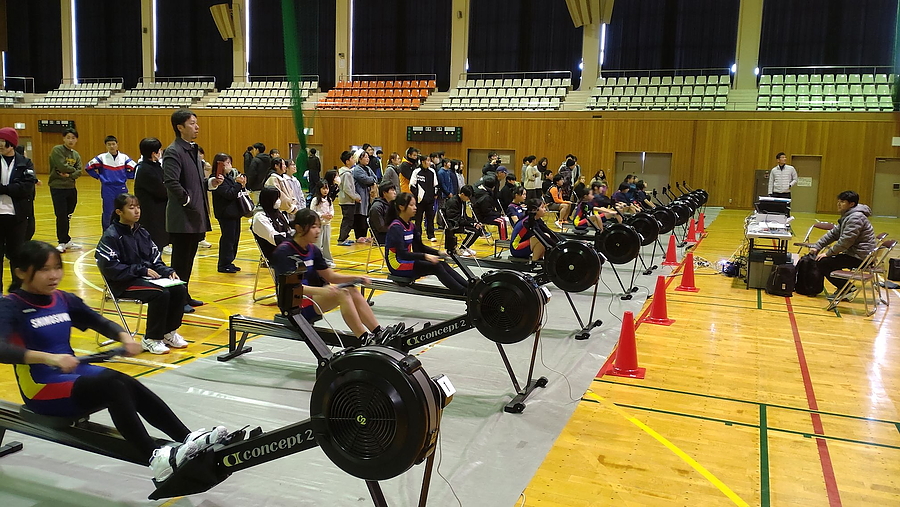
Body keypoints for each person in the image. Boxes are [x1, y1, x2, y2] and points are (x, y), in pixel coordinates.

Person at [0, 240, 228, 481]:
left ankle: (186, 437)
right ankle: (155, 458)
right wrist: (48, 358)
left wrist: (124, 337)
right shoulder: (11, 306)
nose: (54, 275)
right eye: (45, 269)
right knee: (111, 386)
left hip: (69, 376)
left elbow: (97, 321)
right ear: (22, 272)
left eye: (57, 267)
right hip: (40, 388)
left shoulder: (62, 299)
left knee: (123, 381)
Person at [270, 209, 392, 344]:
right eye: (313, 227)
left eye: (318, 226)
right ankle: (363, 338)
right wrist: (322, 291)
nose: (317, 231)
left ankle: (378, 332)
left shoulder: (313, 250)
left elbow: (330, 276)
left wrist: (356, 277)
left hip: (313, 298)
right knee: (342, 293)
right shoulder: (284, 251)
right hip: (293, 304)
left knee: (351, 288)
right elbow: (289, 287)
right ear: (299, 228)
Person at [95, 193, 188, 354]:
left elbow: (155, 259)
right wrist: (140, 270)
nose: (137, 211)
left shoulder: (142, 233)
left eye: (138, 207)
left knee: (179, 289)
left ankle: (168, 332)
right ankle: (151, 338)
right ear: (119, 212)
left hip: (143, 279)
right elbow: (110, 268)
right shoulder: (111, 236)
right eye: (131, 208)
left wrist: (168, 271)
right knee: (160, 294)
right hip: (122, 283)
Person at [162, 109, 216, 313]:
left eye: (196, 123)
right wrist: (188, 200)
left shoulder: (192, 150)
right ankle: (177, 299)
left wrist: (211, 182)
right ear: (180, 127)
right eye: (192, 123)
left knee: (189, 260)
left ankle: (184, 294)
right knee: (179, 261)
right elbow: (171, 182)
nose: (197, 127)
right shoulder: (173, 151)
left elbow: (196, 182)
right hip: (182, 217)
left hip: (194, 215)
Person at [385, 193, 469, 295]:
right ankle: (464, 292)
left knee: (442, 263)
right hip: (397, 264)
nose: (415, 208)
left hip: (406, 260)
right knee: (436, 266)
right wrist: (426, 256)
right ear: (401, 207)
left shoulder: (411, 226)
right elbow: (402, 254)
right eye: (411, 205)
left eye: (415, 205)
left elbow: (419, 247)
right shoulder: (396, 227)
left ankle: (469, 286)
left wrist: (439, 253)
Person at [810, 191, 877, 299]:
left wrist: (828, 253)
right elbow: (833, 234)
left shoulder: (856, 218)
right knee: (824, 261)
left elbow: (846, 241)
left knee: (823, 262)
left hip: (861, 257)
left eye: (842, 202)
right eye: (838, 201)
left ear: (851, 204)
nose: (838, 204)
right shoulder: (849, 216)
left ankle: (846, 288)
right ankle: (845, 288)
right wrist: (818, 246)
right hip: (856, 254)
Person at [0, 127, 37, 291]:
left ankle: (17, 291)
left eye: (3, 141)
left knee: (16, 256)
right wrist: (13, 188)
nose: (0, 144)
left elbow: (27, 187)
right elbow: (19, 187)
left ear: (11, 143)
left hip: (18, 217)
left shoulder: (25, 163)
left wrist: (4, 189)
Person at [86, 135, 137, 231]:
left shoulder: (124, 157)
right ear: (106, 146)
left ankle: (122, 231)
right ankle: (107, 233)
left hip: (121, 187)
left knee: (123, 210)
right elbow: (88, 167)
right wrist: (99, 177)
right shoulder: (101, 158)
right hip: (107, 188)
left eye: (113, 144)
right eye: (109, 144)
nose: (112, 146)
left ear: (117, 145)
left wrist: (128, 176)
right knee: (108, 212)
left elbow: (135, 168)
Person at [208, 153, 246, 273]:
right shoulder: (217, 179)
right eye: (227, 163)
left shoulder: (228, 177)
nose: (230, 166)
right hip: (225, 214)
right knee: (227, 239)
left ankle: (230, 261)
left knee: (234, 238)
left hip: (234, 213)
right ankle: (223, 264)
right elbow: (229, 194)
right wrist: (238, 184)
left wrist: (241, 184)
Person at [48, 127, 84, 253]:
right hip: (58, 187)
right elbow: (61, 165)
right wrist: (73, 170)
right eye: (68, 137)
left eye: (73, 138)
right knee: (61, 215)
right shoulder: (57, 150)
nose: (70, 140)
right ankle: (62, 241)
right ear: (64, 138)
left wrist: (70, 174)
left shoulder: (75, 154)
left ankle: (67, 239)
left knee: (68, 215)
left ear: (76, 140)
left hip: (71, 187)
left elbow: (80, 171)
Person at [134, 138, 170, 253]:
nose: (161, 152)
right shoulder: (145, 169)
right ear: (154, 153)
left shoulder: (155, 166)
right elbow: (162, 191)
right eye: (159, 150)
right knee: (152, 246)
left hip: (159, 213)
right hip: (151, 215)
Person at [251, 186, 294, 261]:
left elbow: (289, 230)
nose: (279, 201)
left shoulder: (277, 212)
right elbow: (275, 238)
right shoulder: (260, 217)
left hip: (286, 247)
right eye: (276, 198)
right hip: (275, 252)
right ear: (269, 200)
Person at [442, 185, 481, 257]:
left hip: (460, 222)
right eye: (468, 197)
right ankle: (462, 248)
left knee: (479, 229)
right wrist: (472, 224)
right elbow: (455, 219)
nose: (468, 199)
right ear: (462, 194)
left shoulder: (462, 201)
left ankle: (466, 247)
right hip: (453, 225)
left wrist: (475, 222)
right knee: (473, 232)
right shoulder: (453, 202)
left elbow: (464, 216)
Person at [410, 155, 438, 242]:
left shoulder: (432, 172)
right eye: (428, 161)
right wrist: (418, 195)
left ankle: (431, 235)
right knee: (418, 219)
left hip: (430, 201)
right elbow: (412, 185)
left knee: (430, 218)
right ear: (422, 162)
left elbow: (436, 185)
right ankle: (418, 235)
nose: (429, 163)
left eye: (430, 161)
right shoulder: (416, 172)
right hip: (419, 201)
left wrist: (434, 194)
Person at [472, 175, 509, 240]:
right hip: (483, 217)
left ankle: (504, 239)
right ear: (493, 187)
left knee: (502, 219)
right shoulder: (486, 197)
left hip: (484, 214)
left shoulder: (483, 193)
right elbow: (487, 212)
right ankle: (504, 240)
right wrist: (498, 214)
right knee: (501, 221)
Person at [352, 149, 377, 242]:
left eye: (367, 157)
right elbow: (366, 179)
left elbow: (375, 177)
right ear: (359, 159)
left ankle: (365, 235)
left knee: (367, 215)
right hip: (361, 195)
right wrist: (372, 180)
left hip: (368, 197)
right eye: (365, 157)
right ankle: (359, 236)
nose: (367, 159)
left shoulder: (368, 168)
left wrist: (372, 180)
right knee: (360, 216)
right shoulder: (357, 169)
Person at [336, 150, 361, 246]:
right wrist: (355, 197)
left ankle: (345, 237)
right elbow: (347, 188)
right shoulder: (346, 173)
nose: (354, 160)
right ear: (347, 161)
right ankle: (341, 239)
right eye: (352, 158)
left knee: (349, 219)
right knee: (347, 220)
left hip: (347, 200)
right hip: (346, 200)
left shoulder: (347, 172)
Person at [309, 180, 336, 268]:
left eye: (327, 188)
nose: (325, 191)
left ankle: (328, 260)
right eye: (323, 188)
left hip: (327, 225)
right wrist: (322, 215)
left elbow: (332, 209)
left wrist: (330, 215)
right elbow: (312, 211)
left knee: (326, 243)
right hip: (318, 226)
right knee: (318, 243)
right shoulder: (315, 200)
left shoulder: (329, 200)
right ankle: (315, 260)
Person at [368, 181, 397, 245]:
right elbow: (381, 228)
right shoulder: (376, 207)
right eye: (392, 190)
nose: (395, 192)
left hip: (391, 233)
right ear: (384, 193)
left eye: (394, 190)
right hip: (382, 236)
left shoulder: (392, 204)